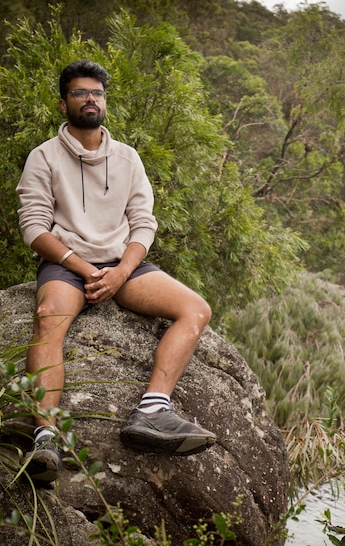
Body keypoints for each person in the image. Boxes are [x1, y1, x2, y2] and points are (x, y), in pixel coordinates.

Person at [16, 60, 216, 483]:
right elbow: (33, 227)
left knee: (195, 309)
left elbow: (144, 222)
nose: (91, 99)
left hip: (124, 266)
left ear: (105, 101)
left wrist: (122, 271)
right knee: (48, 319)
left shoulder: (128, 158)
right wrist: (86, 268)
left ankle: (152, 411)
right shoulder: (43, 157)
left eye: (98, 93)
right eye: (80, 93)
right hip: (67, 265)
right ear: (63, 102)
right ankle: (46, 437)